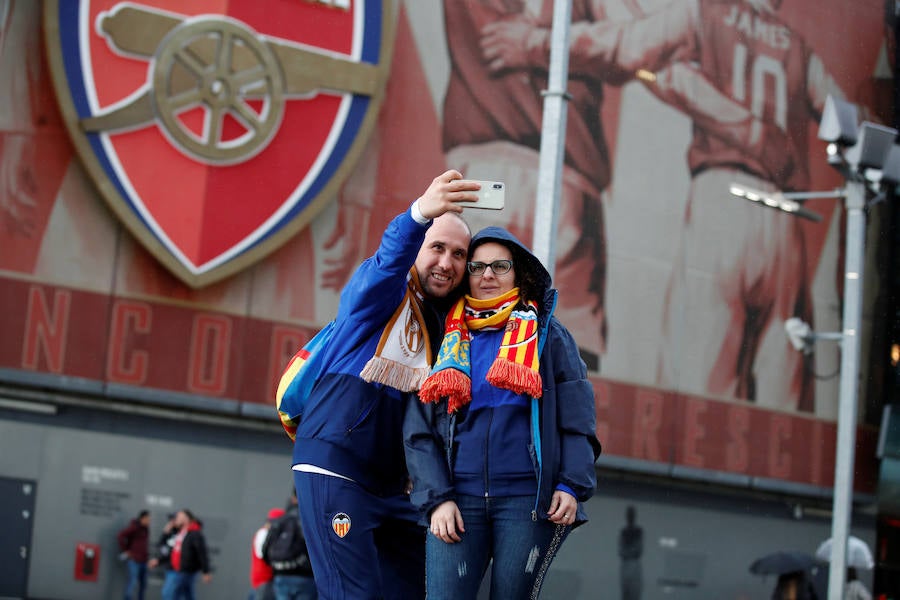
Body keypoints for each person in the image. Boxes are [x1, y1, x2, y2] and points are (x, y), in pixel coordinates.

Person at [520, 0, 847, 410]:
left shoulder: (706, 12)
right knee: (783, 377)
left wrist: (535, 42)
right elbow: (851, 121)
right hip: (786, 213)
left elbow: (627, 44)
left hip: (722, 199)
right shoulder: (801, 49)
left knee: (708, 367)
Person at [291, 170, 477, 599]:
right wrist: (417, 215)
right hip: (337, 466)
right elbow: (388, 259)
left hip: (396, 487)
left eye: (458, 254)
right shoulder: (380, 295)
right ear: (417, 250)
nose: (446, 263)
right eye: (436, 247)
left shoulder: (450, 330)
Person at [439, 0, 650, 370]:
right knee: (565, 344)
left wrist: (533, 42)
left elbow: (642, 45)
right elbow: (641, 43)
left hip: (494, 169)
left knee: (461, 321)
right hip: (562, 175)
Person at [404, 226, 602, 599]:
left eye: (500, 265)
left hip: (528, 502)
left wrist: (571, 485)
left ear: (518, 272)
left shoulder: (550, 337)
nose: (488, 275)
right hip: (456, 500)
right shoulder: (443, 336)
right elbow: (419, 430)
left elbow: (577, 421)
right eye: (477, 267)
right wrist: (437, 499)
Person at [265, 490, 316, 600]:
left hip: (281, 576)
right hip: (305, 577)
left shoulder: (280, 521)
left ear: (293, 498)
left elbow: (266, 549)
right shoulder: (310, 520)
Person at [161, 509, 212, 600]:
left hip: (185, 571)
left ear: (187, 519)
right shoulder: (181, 533)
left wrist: (206, 571)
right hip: (179, 570)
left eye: (180, 517)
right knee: (186, 595)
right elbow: (170, 549)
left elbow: (202, 553)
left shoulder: (195, 534)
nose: (177, 519)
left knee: (169, 594)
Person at [250, 508, 283, 600]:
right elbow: (264, 555)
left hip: (265, 582)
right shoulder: (264, 533)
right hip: (265, 581)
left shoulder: (266, 533)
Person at [117, 509, 150, 600]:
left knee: (143, 585)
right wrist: (126, 550)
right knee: (132, 583)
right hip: (134, 561)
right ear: (142, 518)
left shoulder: (146, 529)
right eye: (147, 519)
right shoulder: (134, 527)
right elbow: (120, 535)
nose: (149, 521)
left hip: (143, 561)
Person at [619, 505, 643, 600]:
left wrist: (629, 552)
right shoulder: (624, 532)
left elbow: (639, 550)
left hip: (634, 564)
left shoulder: (638, 531)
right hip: (626, 564)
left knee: (634, 592)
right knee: (626, 591)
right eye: (629, 514)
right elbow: (621, 550)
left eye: (631, 514)